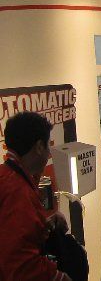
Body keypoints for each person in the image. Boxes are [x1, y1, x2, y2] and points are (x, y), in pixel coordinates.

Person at [0, 112, 72, 281]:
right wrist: (58, 277)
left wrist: (42, 224)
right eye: (48, 146)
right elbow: (20, 263)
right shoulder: (17, 191)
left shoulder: (6, 176)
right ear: (39, 147)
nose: (49, 154)